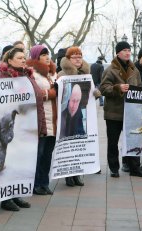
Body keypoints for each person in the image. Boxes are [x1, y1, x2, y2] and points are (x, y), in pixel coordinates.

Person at [0, 47, 47, 211]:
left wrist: (41, 126)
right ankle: (6, 198)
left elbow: (38, 102)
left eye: (24, 57)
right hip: (14, 128)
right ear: (10, 61)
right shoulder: (4, 78)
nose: (23, 60)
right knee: (10, 163)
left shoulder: (28, 75)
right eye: (19, 58)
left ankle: (16, 194)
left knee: (21, 162)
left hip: (29, 126)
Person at [100, 41, 142, 178]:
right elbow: (103, 89)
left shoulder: (135, 70)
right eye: (124, 50)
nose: (128, 53)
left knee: (134, 140)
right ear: (118, 53)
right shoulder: (110, 70)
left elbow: (139, 88)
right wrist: (118, 88)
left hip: (131, 112)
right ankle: (114, 168)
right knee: (113, 142)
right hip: (114, 113)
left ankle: (135, 168)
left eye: (129, 50)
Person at [58, 46, 97, 187]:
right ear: (68, 59)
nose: (78, 60)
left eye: (79, 57)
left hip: (82, 112)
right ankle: (68, 175)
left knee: (80, 143)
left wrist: (96, 92)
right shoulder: (62, 74)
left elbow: (91, 90)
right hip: (67, 114)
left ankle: (77, 174)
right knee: (69, 143)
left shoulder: (86, 74)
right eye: (74, 57)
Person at [26, 45, 57, 195]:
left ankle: (44, 182)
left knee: (47, 154)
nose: (47, 57)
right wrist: (52, 93)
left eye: (47, 54)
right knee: (39, 153)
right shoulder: (32, 74)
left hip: (53, 120)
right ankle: (35, 183)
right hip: (41, 119)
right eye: (43, 54)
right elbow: (34, 94)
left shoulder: (52, 73)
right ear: (36, 57)